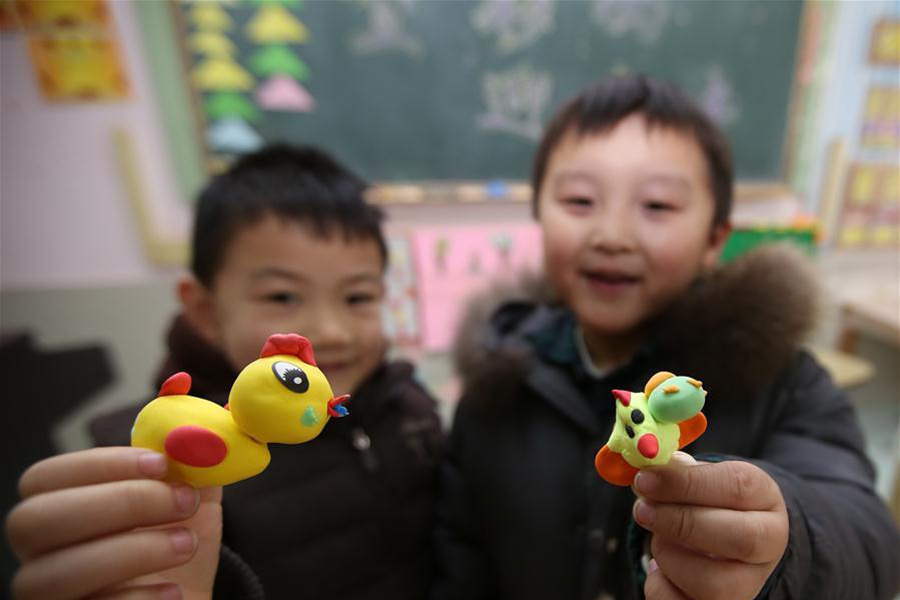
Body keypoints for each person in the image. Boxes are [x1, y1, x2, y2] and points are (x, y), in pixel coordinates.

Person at [431, 74, 900, 600]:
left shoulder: (785, 385)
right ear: (539, 213)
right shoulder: (498, 379)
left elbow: (871, 545)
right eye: (580, 201)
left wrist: (788, 546)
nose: (612, 236)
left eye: (657, 206)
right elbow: (459, 549)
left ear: (713, 240)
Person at [6, 145, 443, 600]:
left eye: (358, 298)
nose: (331, 332)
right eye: (282, 297)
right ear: (205, 311)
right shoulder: (163, 465)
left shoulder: (408, 404)